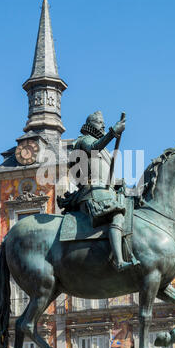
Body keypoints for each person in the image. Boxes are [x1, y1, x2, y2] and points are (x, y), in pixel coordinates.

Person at [58, 111, 139, 272]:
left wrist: (118, 183)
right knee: (116, 214)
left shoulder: (104, 151)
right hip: (91, 192)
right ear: (91, 125)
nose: (103, 125)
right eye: (100, 122)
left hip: (103, 190)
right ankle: (119, 261)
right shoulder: (83, 141)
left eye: (104, 123)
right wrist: (113, 131)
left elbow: (103, 175)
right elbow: (94, 148)